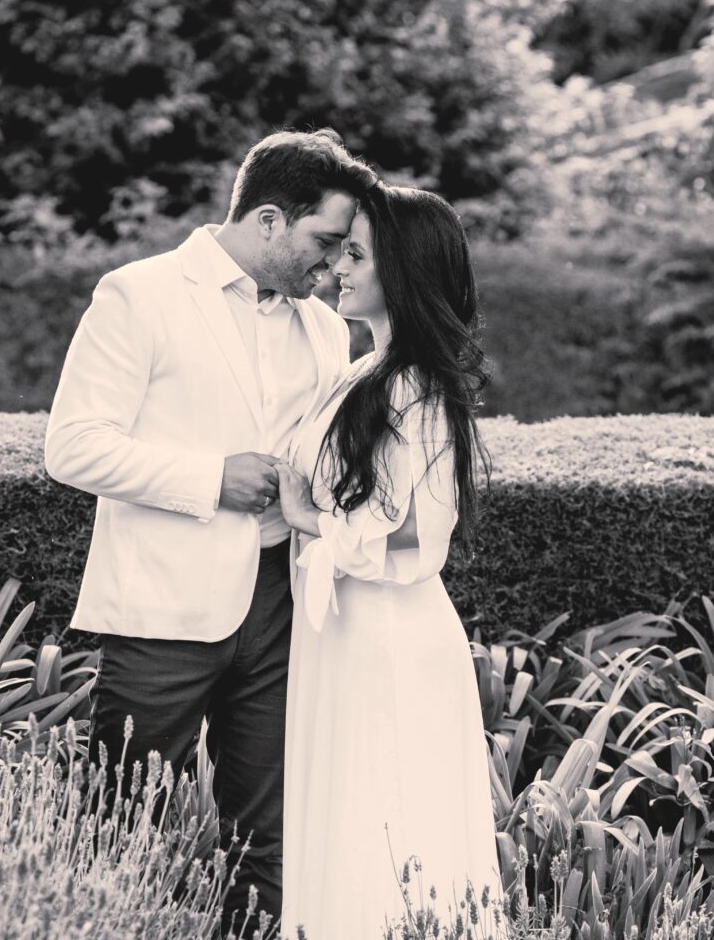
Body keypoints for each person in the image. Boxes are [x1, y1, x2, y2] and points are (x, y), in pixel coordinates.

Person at [44, 128, 378, 935]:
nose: (333, 264)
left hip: (283, 605)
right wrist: (210, 478)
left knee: (271, 838)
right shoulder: (139, 294)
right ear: (268, 220)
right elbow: (73, 446)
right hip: (161, 610)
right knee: (122, 827)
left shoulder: (325, 327)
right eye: (324, 240)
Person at [276, 182, 503, 938]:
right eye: (340, 251)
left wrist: (308, 520)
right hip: (343, 629)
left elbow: (417, 532)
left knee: (387, 821)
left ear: (402, 270)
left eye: (356, 255)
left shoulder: (417, 384)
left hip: (387, 635)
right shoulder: (363, 370)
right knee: (349, 820)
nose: (337, 268)